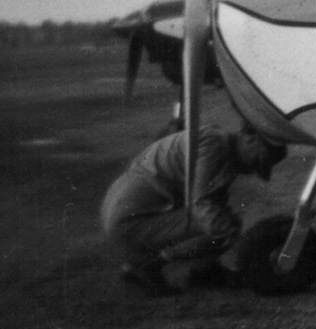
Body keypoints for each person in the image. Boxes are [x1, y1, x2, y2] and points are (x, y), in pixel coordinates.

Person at [101, 122, 287, 296]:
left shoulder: (217, 144)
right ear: (249, 138)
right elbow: (202, 204)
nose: (253, 169)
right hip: (130, 218)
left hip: (125, 210)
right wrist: (242, 247)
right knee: (222, 222)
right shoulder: (214, 147)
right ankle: (149, 266)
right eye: (258, 160)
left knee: (218, 218)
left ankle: (200, 271)